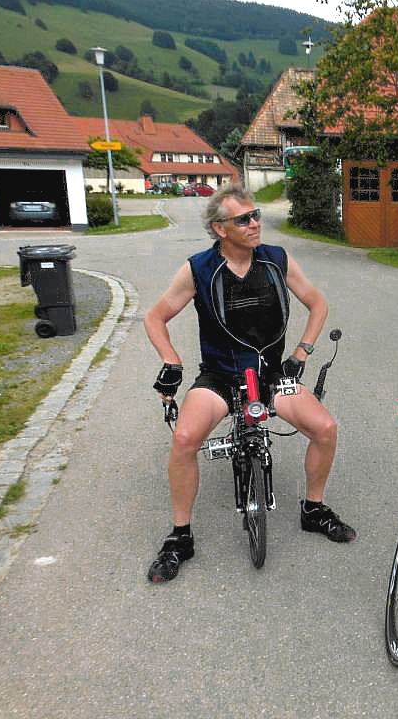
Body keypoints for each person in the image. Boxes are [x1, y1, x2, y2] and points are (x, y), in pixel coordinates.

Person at [143, 186, 355, 583]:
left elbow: (317, 301)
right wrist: (171, 360)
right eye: (243, 219)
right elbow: (155, 317)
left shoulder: (276, 259)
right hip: (221, 375)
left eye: (256, 214)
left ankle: (313, 509)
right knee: (186, 439)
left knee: (325, 429)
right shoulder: (199, 269)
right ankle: (179, 537)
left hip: (273, 375)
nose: (255, 223)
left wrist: (303, 352)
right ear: (219, 228)